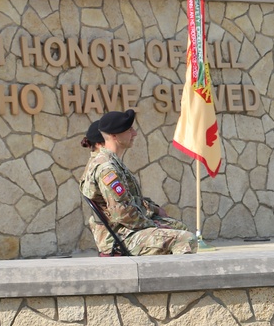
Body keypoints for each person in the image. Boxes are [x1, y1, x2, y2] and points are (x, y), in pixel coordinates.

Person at [80, 109, 198, 255]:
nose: (134, 133)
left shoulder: (111, 162)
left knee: (179, 227)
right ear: (114, 136)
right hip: (120, 236)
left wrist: (153, 211)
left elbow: (131, 201)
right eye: (129, 130)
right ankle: (171, 278)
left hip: (126, 229)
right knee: (185, 239)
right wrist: (152, 223)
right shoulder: (107, 169)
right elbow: (123, 213)